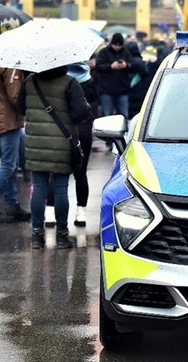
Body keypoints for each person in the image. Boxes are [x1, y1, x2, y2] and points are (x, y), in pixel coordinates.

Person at [18, 65, 91, 249]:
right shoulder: (70, 82)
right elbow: (79, 114)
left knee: (39, 188)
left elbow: (20, 107)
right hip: (62, 142)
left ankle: (36, 236)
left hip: (35, 142)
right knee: (60, 189)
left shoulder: (30, 81)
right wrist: (85, 106)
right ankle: (61, 236)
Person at [0, 23, 31, 224]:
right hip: (9, 118)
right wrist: (28, 109)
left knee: (10, 164)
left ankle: (12, 204)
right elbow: (15, 95)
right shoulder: (11, 65)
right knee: (9, 165)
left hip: (1, 116)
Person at [69, 63, 100, 227]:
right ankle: (81, 213)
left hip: (63, 132)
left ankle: (51, 213)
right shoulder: (90, 82)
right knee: (81, 173)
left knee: (57, 175)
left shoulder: (61, 82)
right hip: (83, 132)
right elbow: (94, 106)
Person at [94, 32, 134, 148]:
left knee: (124, 116)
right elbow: (98, 67)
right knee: (108, 116)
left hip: (122, 89)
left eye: (119, 45)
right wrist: (110, 67)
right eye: (115, 45)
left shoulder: (125, 52)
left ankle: (124, 140)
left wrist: (126, 65)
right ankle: (109, 142)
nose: (117, 47)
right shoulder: (104, 52)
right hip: (106, 90)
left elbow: (133, 64)